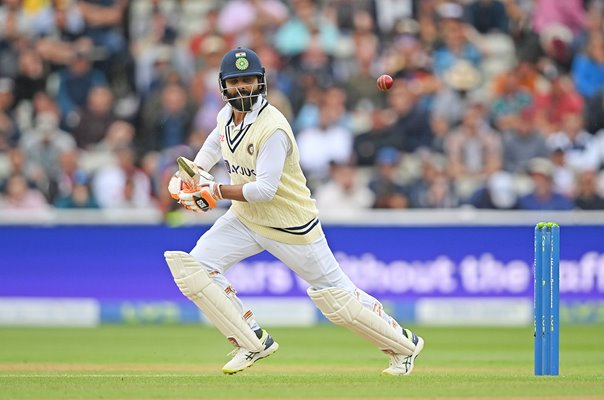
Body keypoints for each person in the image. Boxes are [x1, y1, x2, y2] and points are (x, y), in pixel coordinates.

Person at [165, 48, 423, 376]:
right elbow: (216, 143)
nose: (242, 88)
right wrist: (194, 172)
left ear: (261, 82)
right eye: (235, 82)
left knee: (337, 300)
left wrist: (213, 190)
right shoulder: (225, 116)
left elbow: (264, 190)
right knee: (193, 269)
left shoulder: (273, 128)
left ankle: (405, 346)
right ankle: (251, 341)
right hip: (245, 219)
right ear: (224, 86)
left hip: (291, 227)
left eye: (249, 80)